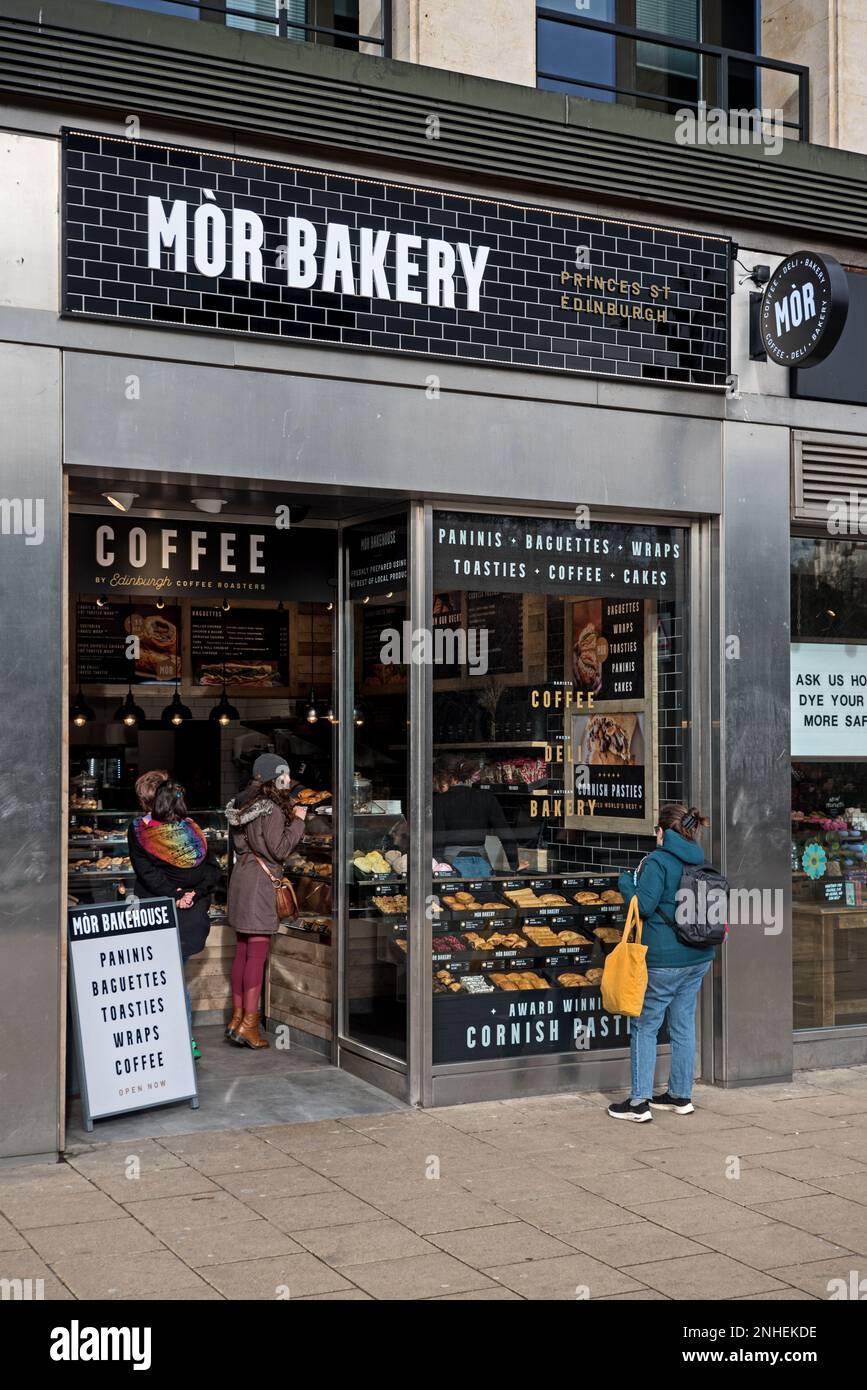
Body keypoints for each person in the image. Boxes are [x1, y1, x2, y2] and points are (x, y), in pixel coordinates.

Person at [607, 804, 715, 1123]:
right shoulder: (701, 861)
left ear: (661, 832)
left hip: (664, 961)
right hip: (698, 956)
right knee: (682, 1024)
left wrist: (626, 883)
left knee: (645, 1024)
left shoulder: (657, 862)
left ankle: (639, 1102)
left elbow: (643, 906)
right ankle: (680, 1096)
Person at [128, 780, 223, 1060]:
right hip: (189, 916)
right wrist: (193, 893)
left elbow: (145, 872)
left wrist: (178, 894)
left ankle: (174, 1038)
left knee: (165, 978)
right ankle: (179, 1037)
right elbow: (213, 871)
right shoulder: (194, 831)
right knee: (172, 976)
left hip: (161, 914)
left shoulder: (141, 832)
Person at [225, 758, 308, 1049]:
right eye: (285, 775)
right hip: (260, 885)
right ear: (276, 778)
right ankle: (249, 1024)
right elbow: (280, 849)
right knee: (257, 955)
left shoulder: (242, 805)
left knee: (243, 953)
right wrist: (298, 819)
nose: (289, 780)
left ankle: (237, 1019)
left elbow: (240, 845)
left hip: (242, 878)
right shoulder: (271, 809)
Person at [432, 754, 525, 876]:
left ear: (445, 776)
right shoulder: (487, 798)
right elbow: (506, 834)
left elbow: (438, 839)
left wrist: (438, 869)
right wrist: (515, 865)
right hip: (483, 864)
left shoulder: (439, 801)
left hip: (451, 864)